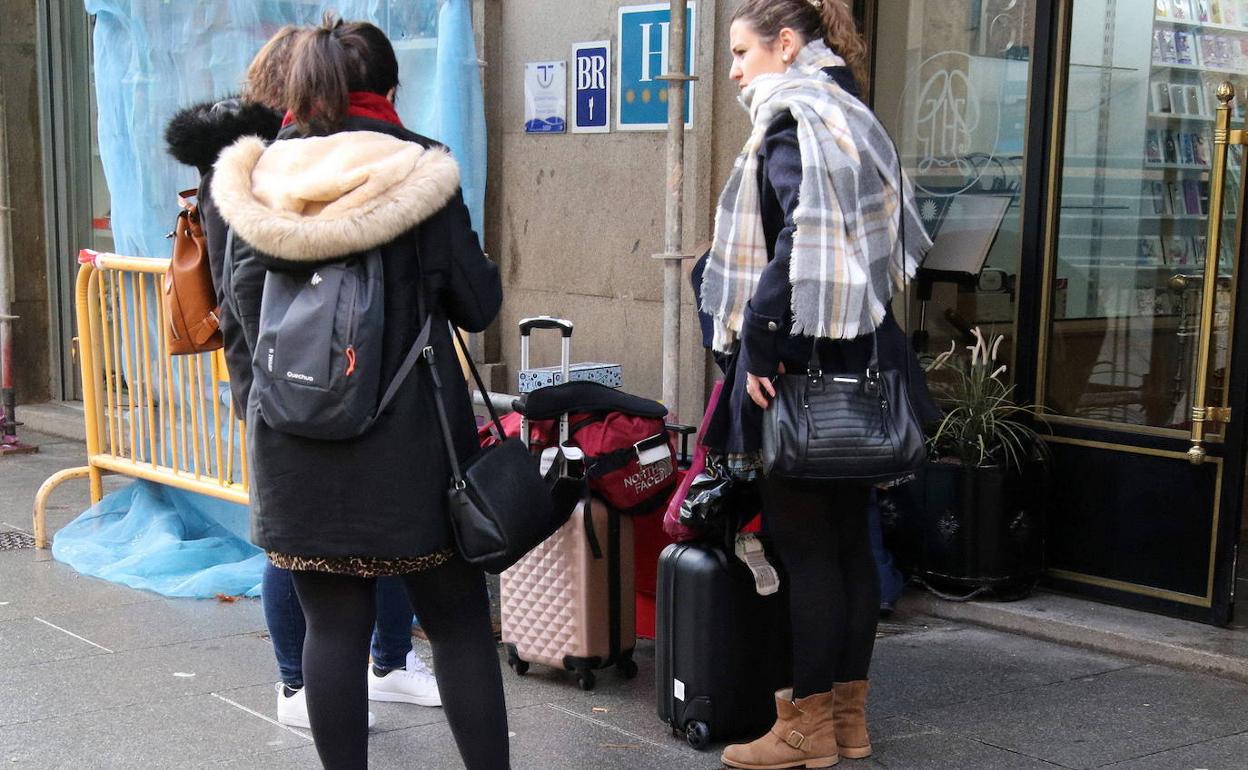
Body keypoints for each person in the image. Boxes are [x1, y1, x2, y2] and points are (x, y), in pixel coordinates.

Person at [211, 15, 506, 770]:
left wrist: (268, 406)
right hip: (415, 450)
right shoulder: (423, 173)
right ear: (388, 89)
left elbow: (240, 316)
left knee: (331, 632)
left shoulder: (251, 183)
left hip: (295, 441)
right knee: (461, 625)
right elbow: (477, 304)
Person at [163, 25, 441, 734]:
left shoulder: (317, 159)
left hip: (331, 378)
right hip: (283, 383)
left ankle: (386, 662)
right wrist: (258, 393)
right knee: (297, 547)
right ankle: (295, 680)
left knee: (353, 537)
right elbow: (242, 297)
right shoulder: (248, 170)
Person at [698, 1, 937, 767]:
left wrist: (761, 347)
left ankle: (805, 730)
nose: (735, 71)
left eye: (741, 53)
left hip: (803, 369)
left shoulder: (795, 118)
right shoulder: (852, 114)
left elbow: (804, 237)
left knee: (806, 554)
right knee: (849, 550)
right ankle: (848, 722)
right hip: (863, 362)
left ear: (788, 44)